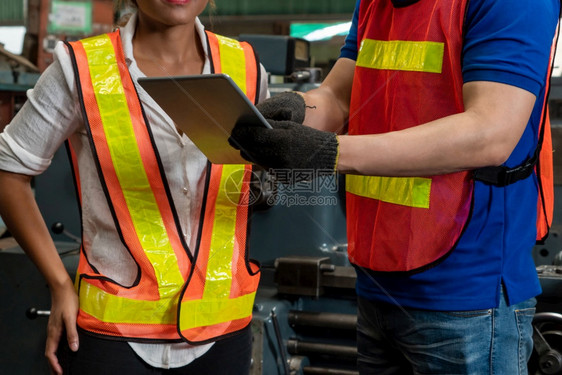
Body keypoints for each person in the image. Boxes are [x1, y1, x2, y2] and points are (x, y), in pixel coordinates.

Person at [230, 0, 561, 373]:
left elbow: (489, 134)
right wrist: (296, 108)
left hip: (467, 294)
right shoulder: (375, 3)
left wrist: (329, 151)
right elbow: (340, 96)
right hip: (376, 280)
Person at [0, 0, 269, 374]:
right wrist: (59, 284)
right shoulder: (79, 68)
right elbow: (8, 169)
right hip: (114, 341)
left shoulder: (248, 68)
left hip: (224, 335)